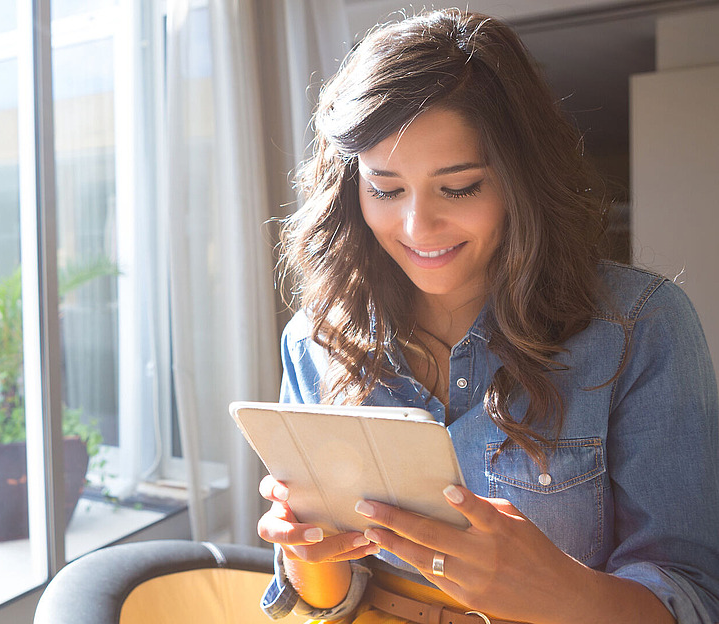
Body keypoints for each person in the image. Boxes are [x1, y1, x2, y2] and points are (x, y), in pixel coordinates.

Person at [258, 8, 719, 624]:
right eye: (386, 189)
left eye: (459, 187)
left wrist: (558, 590)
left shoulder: (640, 326)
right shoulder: (316, 340)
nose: (417, 228)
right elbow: (329, 605)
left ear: (520, 180)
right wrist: (307, 552)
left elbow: (693, 596)